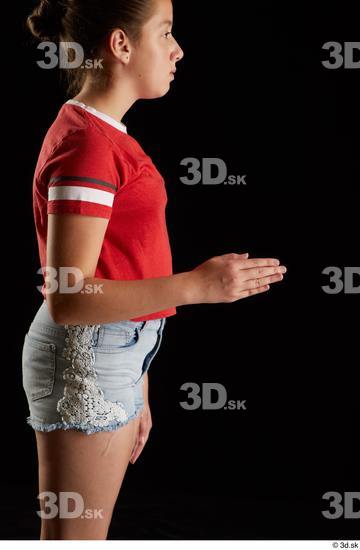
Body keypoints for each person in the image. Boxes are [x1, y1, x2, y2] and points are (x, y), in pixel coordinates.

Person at [23, 0, 287, 540]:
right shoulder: (89, 150)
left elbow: (116, 266)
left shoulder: (102, 135)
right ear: (121, 45)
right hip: (87, 357)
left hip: (113, 354)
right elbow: (69, 296)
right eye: (165, 33)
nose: (177, 49)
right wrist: (200, 285)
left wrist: (139, 381)